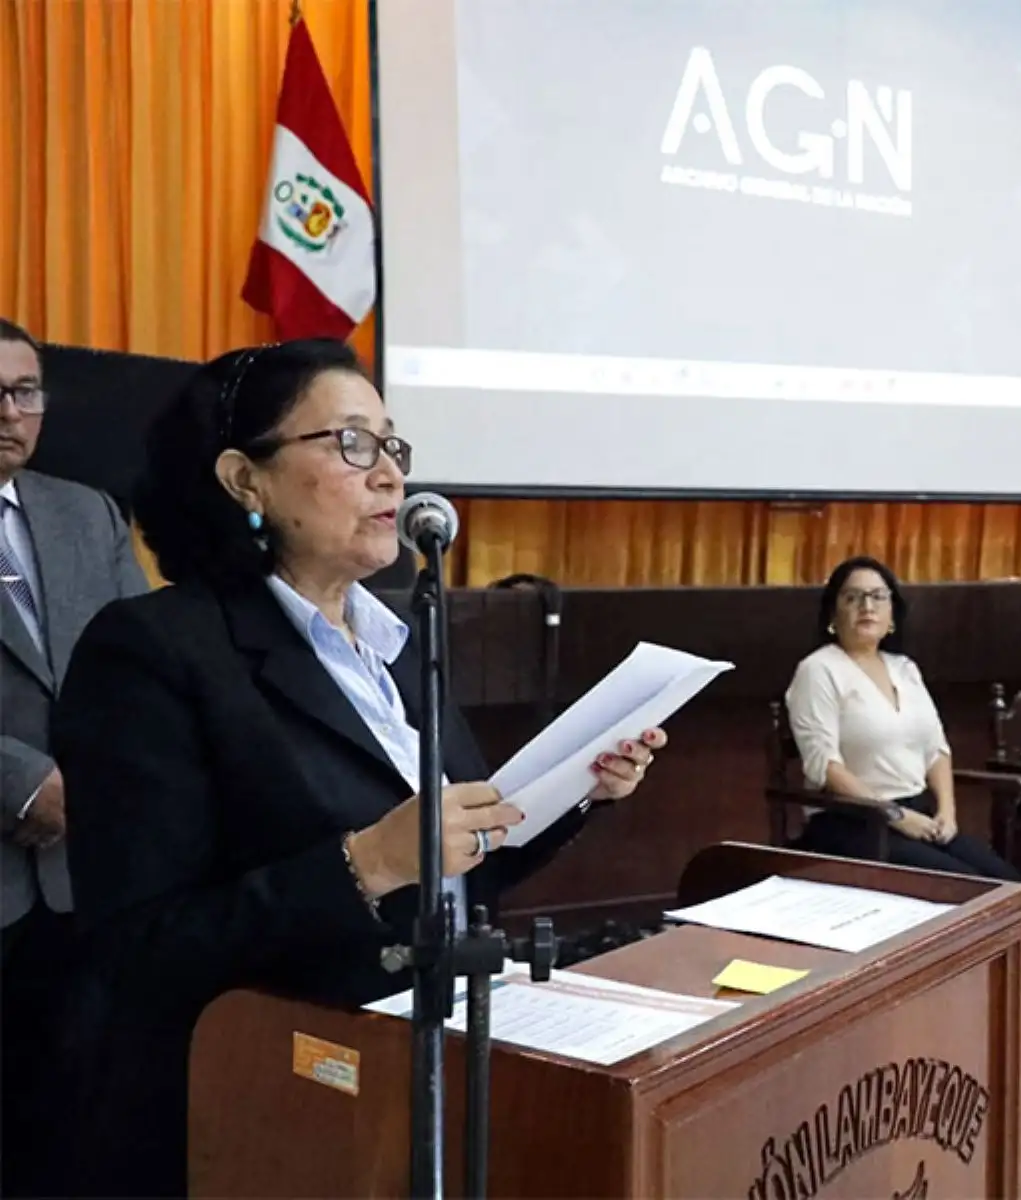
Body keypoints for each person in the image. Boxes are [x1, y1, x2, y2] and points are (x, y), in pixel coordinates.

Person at [42, 340, 669, 1197]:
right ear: (245, 479)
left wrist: (580, 791)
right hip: (269, 1107)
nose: (389, 474)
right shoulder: (154, 650)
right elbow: (140, 947)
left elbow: (455, 870)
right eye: (350, 443)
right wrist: (363, 863)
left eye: (392, 444)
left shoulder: (398, 646)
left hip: (428, 1069)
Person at [0, 318, 151, 1197]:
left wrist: (106, 782)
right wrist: (20, 782)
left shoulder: (85, 510)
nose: (9, 412)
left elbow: (145, 664)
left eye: (25, 392)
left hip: (92, 875)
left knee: (76, 1126)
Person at [784, 556, 1020, 881]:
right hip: (853, 819)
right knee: (964, 886)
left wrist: (947, 812)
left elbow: (936, 750)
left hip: (918, 812)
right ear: (832, 615)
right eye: (853, 597)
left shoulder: (904, 668)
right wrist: (894, 815)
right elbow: (825, 767)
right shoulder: (818, 670)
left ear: (892, 614)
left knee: (1009, 883)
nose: (867, 606)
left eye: (878, 596)